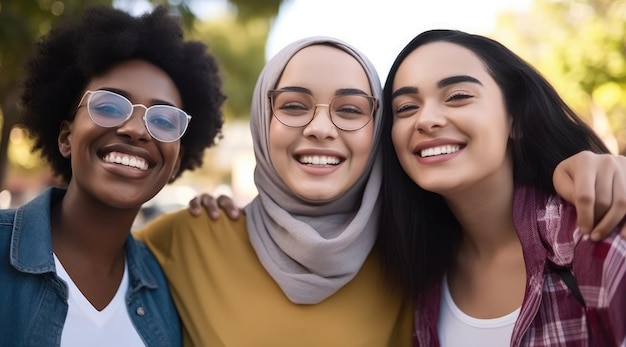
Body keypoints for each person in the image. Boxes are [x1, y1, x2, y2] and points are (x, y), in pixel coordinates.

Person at [135, 36, 414, 347]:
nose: (320, 128)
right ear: (262, 119)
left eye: (350, 110)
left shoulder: (414, 253)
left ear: (378, 129)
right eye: (293, 106)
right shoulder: (184, 241)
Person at [378, 29, 626, 346]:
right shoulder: (409, 280)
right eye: (406, 108)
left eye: (457, 96)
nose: (426, 120)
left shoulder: (594, 237)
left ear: (516, 119)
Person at [0, 5, 225, 347]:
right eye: (108, 106)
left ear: (176, 162)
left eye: (164, 120)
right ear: (66, 137)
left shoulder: (168, 291)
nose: (136, 130)